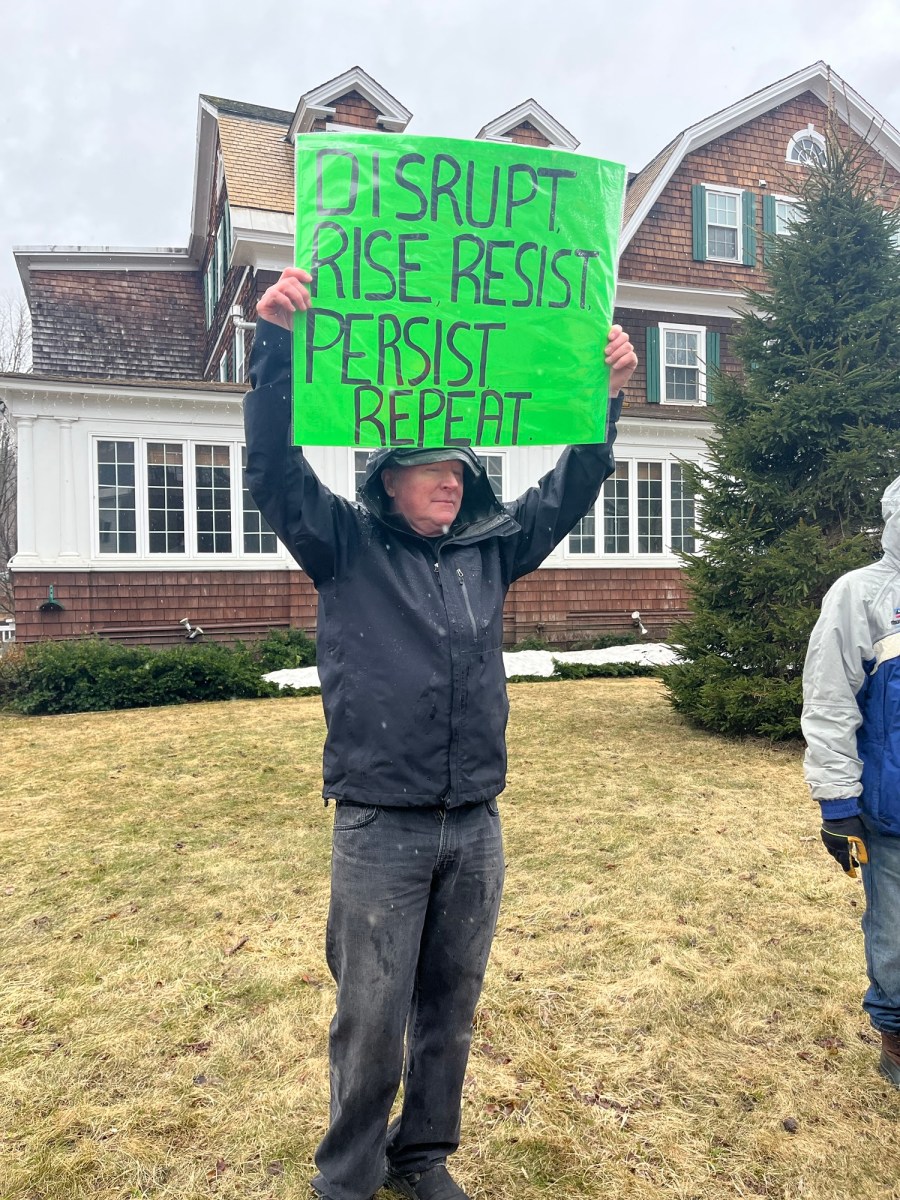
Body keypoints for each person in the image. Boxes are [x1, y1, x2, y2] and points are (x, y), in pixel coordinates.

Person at [244, 266, 638, 1200]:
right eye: (433, 468)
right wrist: (276, 348)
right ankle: (346, 1177)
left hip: (475, 821)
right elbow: (272, 470)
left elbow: (570, 487)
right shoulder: (343, 545)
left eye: (461, 469)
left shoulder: (490, 552)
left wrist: (606, 401)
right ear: (390, 479)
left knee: (450, 1009)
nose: (453, 481)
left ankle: (421, 1156)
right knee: (371, 1019)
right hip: (381, 823)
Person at [801, 474, 900, 1090]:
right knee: (896, 933)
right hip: (892, 813)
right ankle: (897, 1038)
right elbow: (830, 699)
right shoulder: (861, 595)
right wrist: (838, 802)